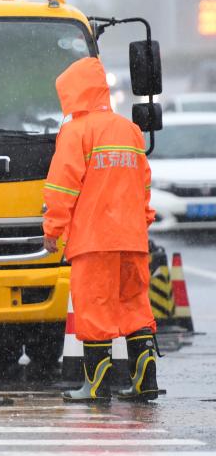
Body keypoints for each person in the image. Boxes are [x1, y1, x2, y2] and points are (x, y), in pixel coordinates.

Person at [42, 57, 159, 402]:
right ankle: (144, 379)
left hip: (95, 240)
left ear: (73, 92)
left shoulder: (76, 132)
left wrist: (53, 229)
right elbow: (144, 184)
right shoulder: (129, 130)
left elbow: (62, 187)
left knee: (94, 308)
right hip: (132, 237)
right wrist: (142, 220)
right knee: (134, 304)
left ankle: (95, 385)